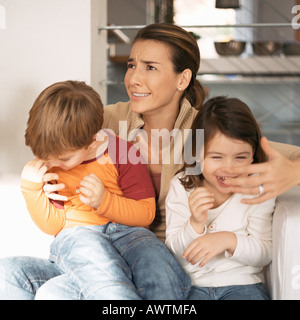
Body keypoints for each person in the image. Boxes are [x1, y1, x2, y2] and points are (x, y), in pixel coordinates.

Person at [1, 23, 299, 299]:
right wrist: (41, 181)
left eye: (150, 67)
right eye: (132, 65)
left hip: (159, 262)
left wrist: (291, 173)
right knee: (11, 273)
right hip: (95, 250)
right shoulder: (108, 119)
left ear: (182, 79)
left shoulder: (206, 132)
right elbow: (53, 139)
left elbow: (281, 155)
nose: (134, 78)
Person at [0, 80, 189, 300]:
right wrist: (32, 188)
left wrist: (104, 201)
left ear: (93, 141)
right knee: (7, 272)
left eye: (64, 158)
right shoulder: (50, 163)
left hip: (128, 235)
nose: (52, 163)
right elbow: (54, 226)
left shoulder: (121, 151)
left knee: (154, 257)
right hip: (77, 240)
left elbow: (145, 215)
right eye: (43, 155)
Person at [165, 96, 275, 300]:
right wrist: (195, 224)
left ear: (253, 155)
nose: (229, 168)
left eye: (240, 157)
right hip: (192, 287)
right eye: (216, 157)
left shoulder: (260, 189)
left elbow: (265, 252)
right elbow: (174, 249)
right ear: (196, 154)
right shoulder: (181, 185)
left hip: (242, 285)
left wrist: (228, 240)